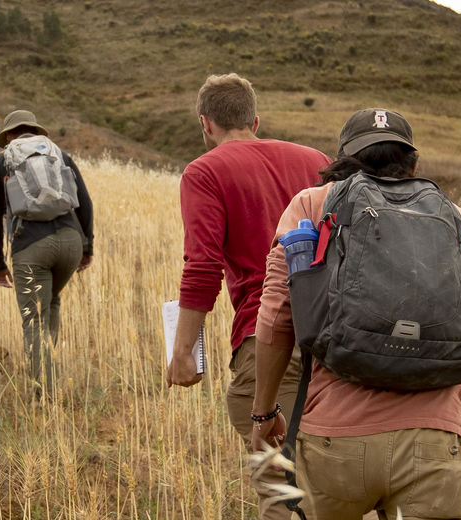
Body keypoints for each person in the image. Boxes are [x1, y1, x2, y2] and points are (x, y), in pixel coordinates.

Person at [247, 109, 461, 519]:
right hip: (439, 447)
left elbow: (277, 315)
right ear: (414, 164)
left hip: (334, 446)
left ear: (340, 163)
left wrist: (263, 414)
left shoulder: (314, 206)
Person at [165, 73, 328, 520]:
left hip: (269, 337)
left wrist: (183, 352)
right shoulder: (316, 160)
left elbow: (202, 267)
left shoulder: (205, 171)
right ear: (255, 120)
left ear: (205, 124)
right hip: (336, 335)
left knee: (283, 491)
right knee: (332, 482)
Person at [0, 109, 94, 397]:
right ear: (34, 130)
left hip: (31, 248)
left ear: (9, 136)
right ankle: (50, 376)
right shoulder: (59, 154)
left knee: (34, 319)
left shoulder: (3, 161)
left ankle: (44, 395)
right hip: (70, 243)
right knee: (51, 302)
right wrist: (87, 246)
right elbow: (85, 202)